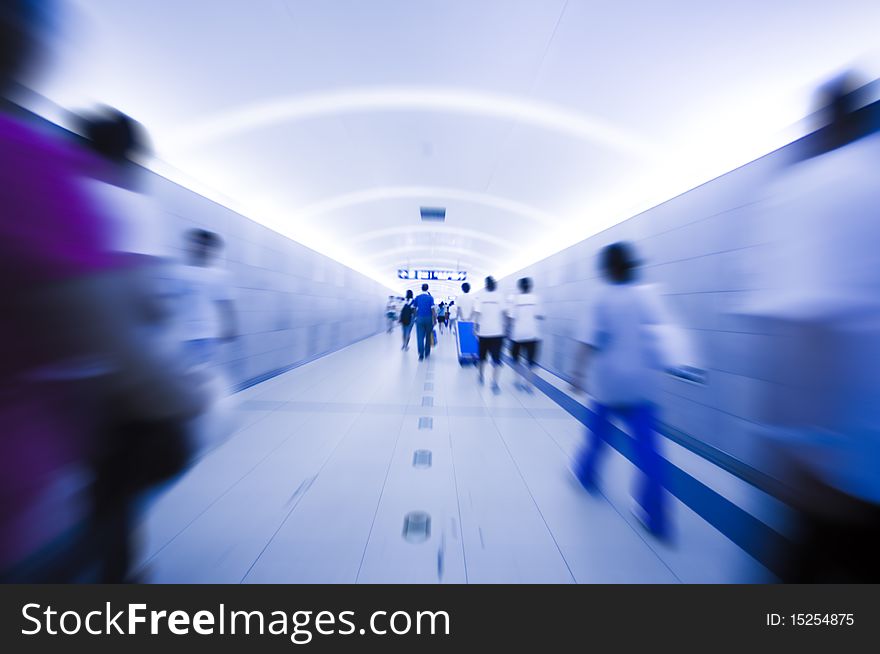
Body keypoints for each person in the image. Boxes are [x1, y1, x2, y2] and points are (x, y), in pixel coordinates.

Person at [0, 0, 206, 582]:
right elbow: (120, 331)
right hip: (23, 489)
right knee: (108, 502)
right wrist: (184, 396)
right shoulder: (28, 165)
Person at [740, 74, 880, 581]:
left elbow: (804, 330)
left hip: (841, 463)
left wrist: (788, 444)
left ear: (822, 124)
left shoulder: (812, 189)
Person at [570, 242, 673, 541]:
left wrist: (577, 373)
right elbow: (663, 336)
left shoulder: (601, 298)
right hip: (642, 384)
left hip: (609, 383)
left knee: (597, 435)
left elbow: (587, 340)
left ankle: (586, 475)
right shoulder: (648, 296)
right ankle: (656, 516)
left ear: (607, 268)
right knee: (648, 449)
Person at [176, 229, 237, 370]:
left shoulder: (219, 276)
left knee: (199, 374)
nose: (201, 247)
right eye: (198, 243)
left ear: (212, 249)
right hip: (181, 335)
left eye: (206, 245)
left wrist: (230, 328)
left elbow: (226, 305)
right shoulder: (180, 272)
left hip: (206, 336)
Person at [507, 277, 544, 393]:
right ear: (530, 286)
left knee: (515, 358)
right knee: (531, 361)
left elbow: (511, 317)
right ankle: (529, 385)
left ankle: (518, 381)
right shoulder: (536, 299)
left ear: (520, 287)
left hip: (517, 334)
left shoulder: (515, 299)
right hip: (533, 334)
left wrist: (508, 331)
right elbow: (540, 315)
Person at [473, 276, 505, 393]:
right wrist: (505, 328)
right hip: (497, 332)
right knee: (496, 359)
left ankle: (481, 376)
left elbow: (477, 314)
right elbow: (504, 313)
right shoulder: (500, 297)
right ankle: (494, 382)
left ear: (485, 285)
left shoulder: (481, 297)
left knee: (482, 356)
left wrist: (475, 327)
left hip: (484, 332)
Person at [412, 283, 436, 361]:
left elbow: (414, 308)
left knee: (420, 337)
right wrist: (435, 319)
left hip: (420, 319)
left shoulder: (417, 298)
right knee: (428, 336)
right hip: (429, 318)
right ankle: (427, 352)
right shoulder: (430, 298)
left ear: (421, 288)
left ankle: (421, 354)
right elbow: (433, 309)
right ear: (427, 288)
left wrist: (416, 316)